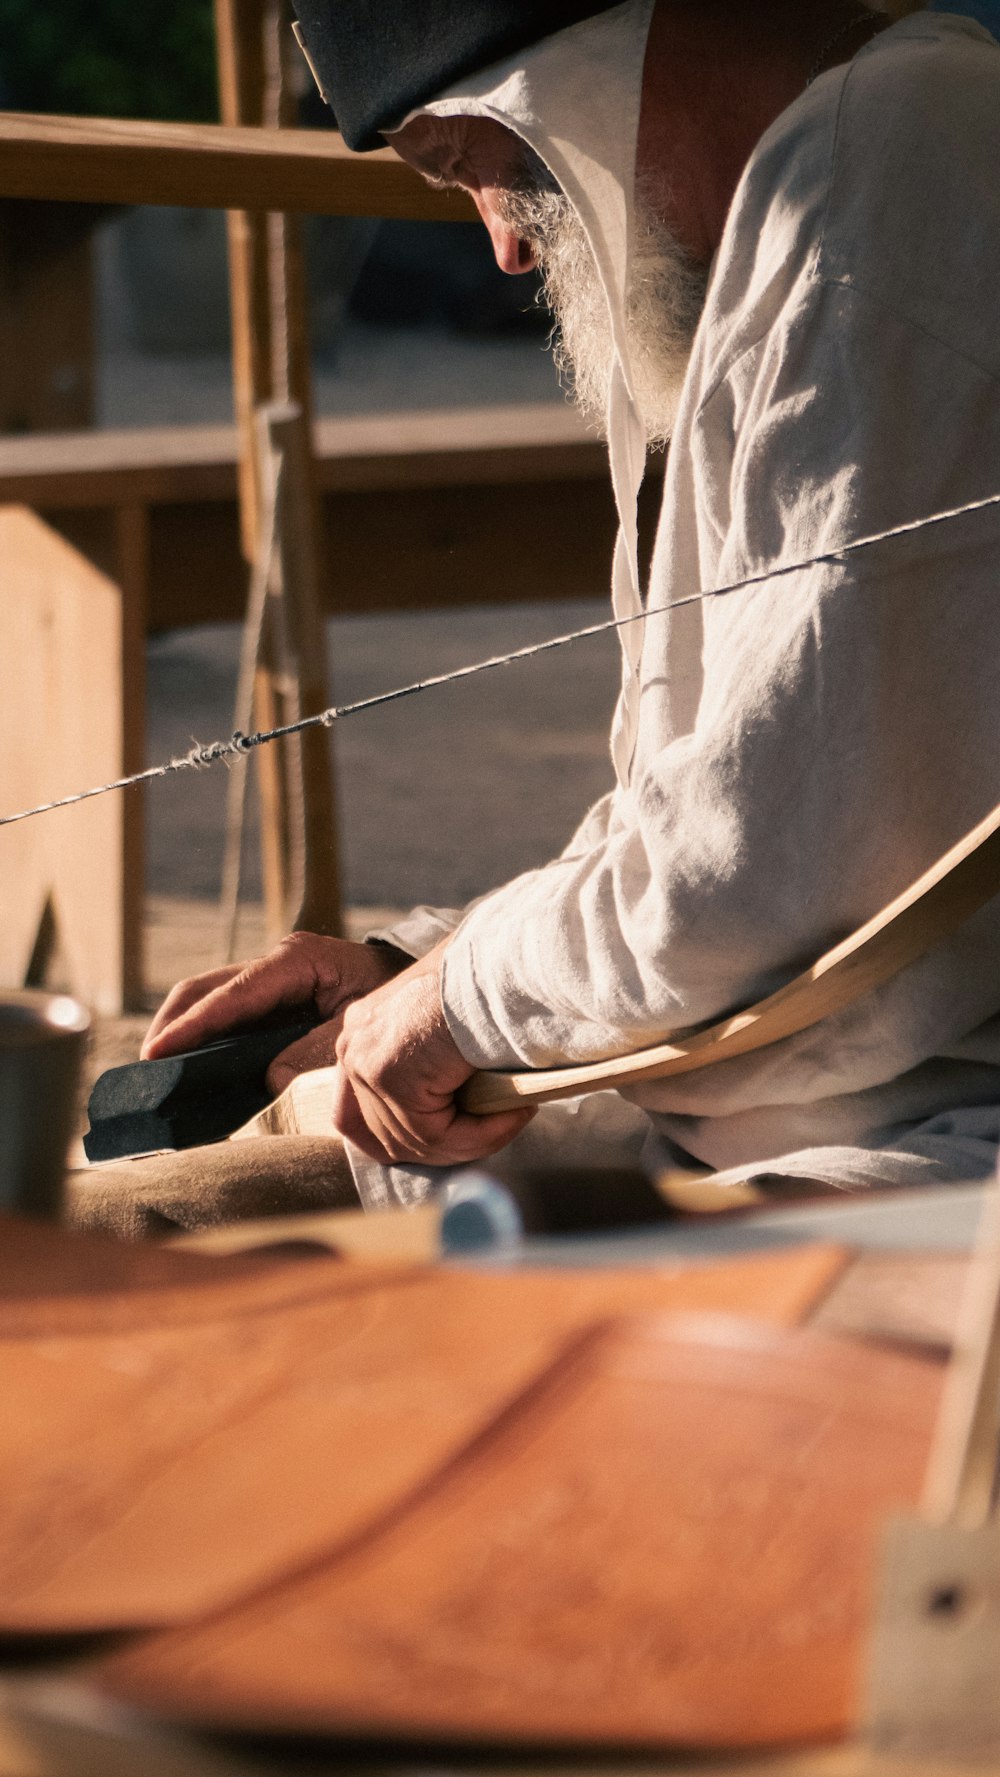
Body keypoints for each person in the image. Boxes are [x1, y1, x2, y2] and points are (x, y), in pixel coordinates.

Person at [143, 0, 1000, 1212]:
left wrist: (457, 995)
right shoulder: (850, 158)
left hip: (925, 1154)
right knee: (179, 1186)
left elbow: (748, 860)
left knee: (140, 1264)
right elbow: (752, 798)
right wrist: (418, 961)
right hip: (759, 1104)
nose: (501, 242)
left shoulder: (881, 160)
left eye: (471, 161)